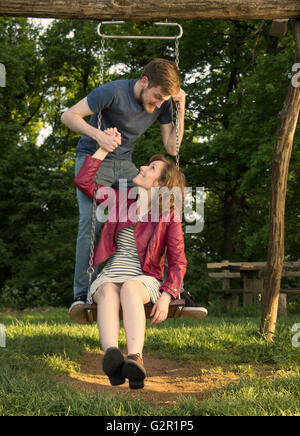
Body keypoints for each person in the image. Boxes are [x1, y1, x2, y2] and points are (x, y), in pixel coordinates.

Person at [61, 58, 186, 320]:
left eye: (164, 99)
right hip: (94, 157)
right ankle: (82, 295)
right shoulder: (112, 91)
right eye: (156, 97)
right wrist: (100, 137)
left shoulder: (162, 104)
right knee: (92, 221)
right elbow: (68, 115)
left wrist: (181, 108)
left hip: (126, 166)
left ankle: (170, 288)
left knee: (162, 203)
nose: (158, 104)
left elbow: (172, 148)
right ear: (144, 82)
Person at [73, 132, 187, 389]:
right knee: (107, 291)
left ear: (159, 184)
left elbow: (178, 261)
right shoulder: (120, 201)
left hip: (144, 279)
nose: (144, 167)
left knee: (130, 287)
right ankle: (112, 357)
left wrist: (168, 294)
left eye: (152, 167)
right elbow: (83, 181)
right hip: (111, 274)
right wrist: (102, 148)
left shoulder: (168, 214)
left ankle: (135, 358)